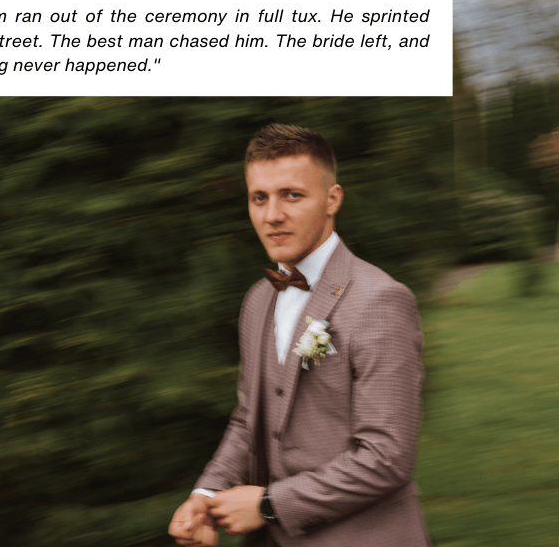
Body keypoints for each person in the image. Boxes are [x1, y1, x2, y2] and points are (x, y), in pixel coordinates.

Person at [168, 124, 431, 546]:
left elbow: (387, 458)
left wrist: (267, 504)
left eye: (292, 195)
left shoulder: (380, 301)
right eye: (259, 197)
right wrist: (207, 494)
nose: (272, 215)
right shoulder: (257, 301)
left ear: (333, 200)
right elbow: (248, 419)